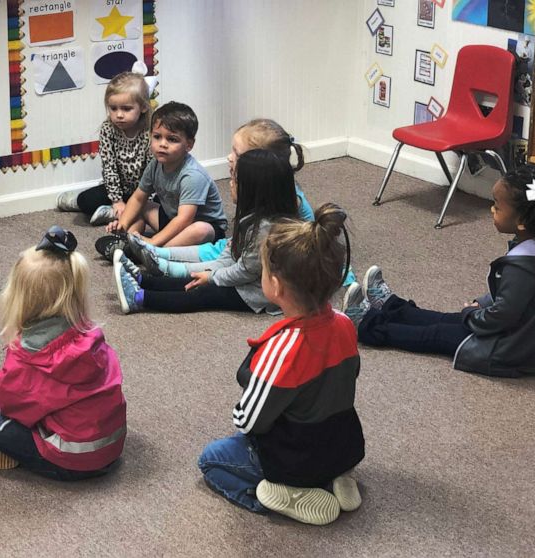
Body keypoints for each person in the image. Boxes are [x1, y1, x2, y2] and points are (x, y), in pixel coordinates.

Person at [198, 205, 365, 525]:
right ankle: (336, 477)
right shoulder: (345, 324)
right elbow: (349, 379)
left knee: (211, 460)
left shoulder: (282, 348)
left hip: (297, 456)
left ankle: (290, 493)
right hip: (344, 444)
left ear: (276, 286)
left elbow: (248, 421)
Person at [345, 164, 535, 377]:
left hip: (513, 348)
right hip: (529, 337)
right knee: (447, 319)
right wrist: (480, 305)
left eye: (496, 206)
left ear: (522, 220)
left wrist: (471, 315)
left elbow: (503, 314)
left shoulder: (524, 266)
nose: (492, 211)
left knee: (438, 334)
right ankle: (391, 306)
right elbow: (518, 297)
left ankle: (367, 326)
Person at [0, 227, 126, 481]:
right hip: (111, 447)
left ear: (19, 300)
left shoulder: (29, 357)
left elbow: (10, 406)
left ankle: (19, 457)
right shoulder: (92, 336)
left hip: (75, 461)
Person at [121, 118, 356, 286]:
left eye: (237, 153)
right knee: (219, 249)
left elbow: (313, 244)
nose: (228, 157)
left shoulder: (288, 199)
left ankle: (158, 257)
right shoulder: (251, 186)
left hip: (270, 254)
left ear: (259, 163)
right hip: (248, 243)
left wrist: (340, 275)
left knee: (223, 255)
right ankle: (154, 253)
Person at [112, 149, 296, 314]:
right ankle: (142, 279)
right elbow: (229, 257)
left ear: (254, 190)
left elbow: (243, 272)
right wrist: (210, 272)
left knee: (201, 293)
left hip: (254, 293)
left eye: (234, 179)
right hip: (243, 279)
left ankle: (139, 298)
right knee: (196, 279)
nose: (230, 184)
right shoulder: (251, 219)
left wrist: (212, 278)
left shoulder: (264, 230)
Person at [100, 101, 227, 253]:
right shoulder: (155, 164)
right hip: (172, 218)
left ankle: (156, 251)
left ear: (189, 145)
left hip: (202, 227)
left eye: (172, 139)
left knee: (201, 229)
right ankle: (128, 241)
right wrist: (123, 223)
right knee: (142, 206)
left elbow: (184, 219)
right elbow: (138, 198)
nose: (163, 144)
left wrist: (154, 240)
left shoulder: (192, 175)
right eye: (157, 137)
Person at [56, 70, 152, 226]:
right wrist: (117, 200)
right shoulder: (108, 129)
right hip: (117, 189)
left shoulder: (150, 131)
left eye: (126, 109)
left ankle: (117, 214)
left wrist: (141, 198)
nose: (119, 115)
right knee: (85, 200)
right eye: (113, 108)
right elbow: (109, 167)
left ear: (143, 107)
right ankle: (115, 209)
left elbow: (151, 172)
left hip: (144, 192)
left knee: (162, 207)